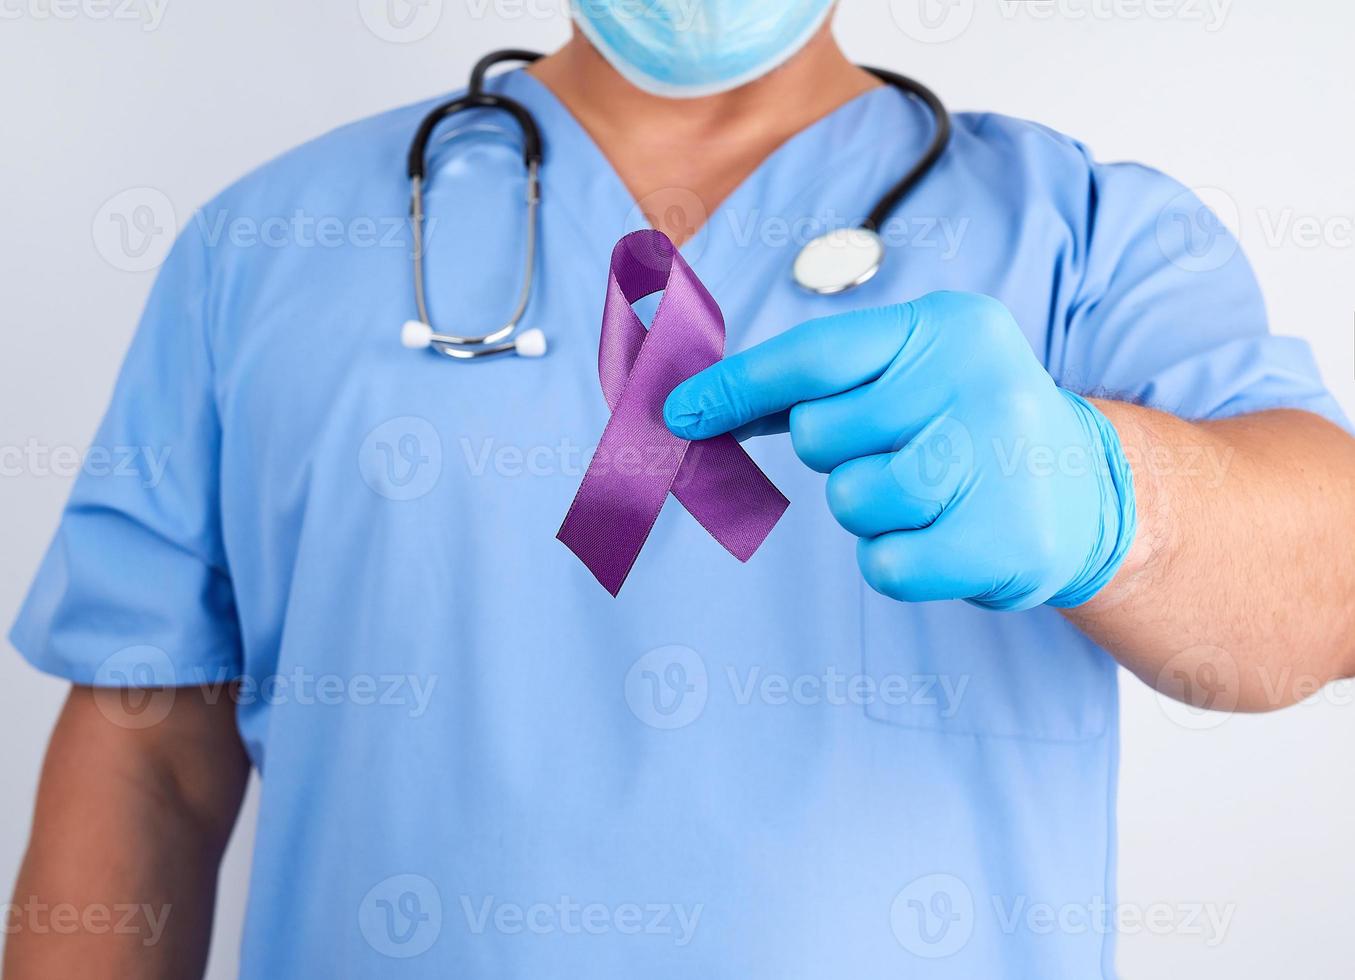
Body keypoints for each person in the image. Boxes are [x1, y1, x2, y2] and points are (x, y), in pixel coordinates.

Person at [7, 3, 1354, 977]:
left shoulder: (1087, 239)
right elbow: (149, 755)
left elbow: (1328, 591)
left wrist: (1116, 492)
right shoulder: (266, 246)